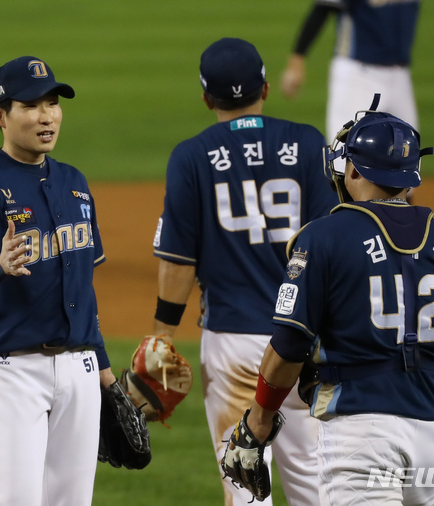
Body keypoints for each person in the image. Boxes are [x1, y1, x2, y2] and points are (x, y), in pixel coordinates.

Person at [240, 106, 434, 504]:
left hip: (362, 431)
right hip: (433, 430)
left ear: (353, 171)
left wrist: (258, 421)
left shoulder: (323, 238)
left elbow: (287, 347)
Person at [152, 37, 338, 506]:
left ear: (206, 98)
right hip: (304, 343)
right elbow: (331, 245)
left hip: (233, 345)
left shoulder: (191, 157)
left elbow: (179, 261)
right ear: (266, 88)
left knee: (246, 489)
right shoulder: (307, 142)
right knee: (316, 488)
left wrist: (162, 337)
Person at [0, 55, 118, 506]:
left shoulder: (74, 182)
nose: (47, 116)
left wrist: (103, 370)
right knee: (15, 500)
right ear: (0, 116)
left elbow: (83, 289)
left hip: (78, 366)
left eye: (53, 103)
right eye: (32, 106)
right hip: (11, 369)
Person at [281, 0, 423, 154]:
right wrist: (297, 61)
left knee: (408, 156)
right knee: (345, 156)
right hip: (357, 76)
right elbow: (322, 9)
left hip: (400, 77)